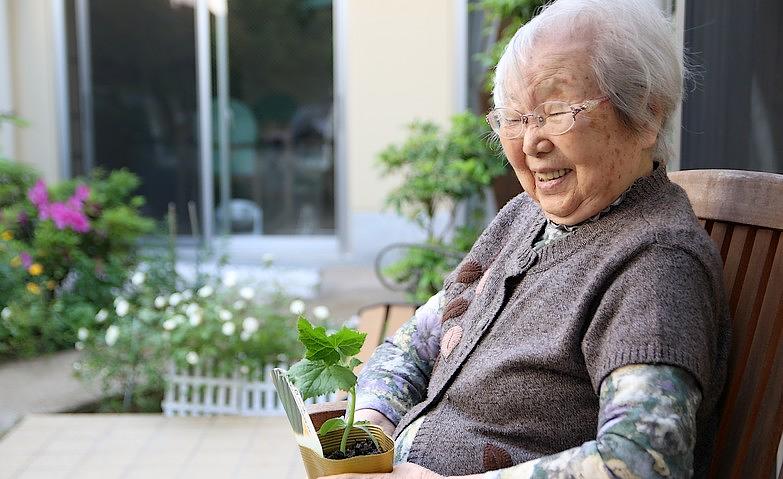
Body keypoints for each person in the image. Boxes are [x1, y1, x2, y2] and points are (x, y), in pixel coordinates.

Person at [321, 0, 730, 477]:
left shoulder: (655, 265)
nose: (531, 143)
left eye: (556, 112)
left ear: (645, 117)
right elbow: (415, 342)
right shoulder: (525, 217)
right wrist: (372, 426)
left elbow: (641, 462)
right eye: (514, 118)